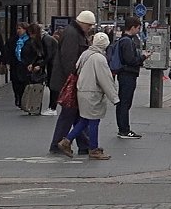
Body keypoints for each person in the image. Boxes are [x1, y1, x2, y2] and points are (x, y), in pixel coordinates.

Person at [56, 32, 117, 160]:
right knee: (94, 121)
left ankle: (66, 141)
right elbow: (105, 79)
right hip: (93, 93)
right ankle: (93, 149)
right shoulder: (99, 58)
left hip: (82, 91)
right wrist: (114, 97)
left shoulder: (85, 54)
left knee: (85, 120)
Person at [47, 11, 95, 155]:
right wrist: (75, 78)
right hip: (69, 81)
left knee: (76, 114)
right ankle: (58, 144)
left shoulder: (74, 32)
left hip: (69, 80)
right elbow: (69, 59)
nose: (90, 28)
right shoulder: (72, 34)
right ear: (83, 23)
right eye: (89, 25)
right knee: (69, 114)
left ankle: (84, 144)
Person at [114, 17, 148, 139]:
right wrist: (143, 57)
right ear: (132, 27)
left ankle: (122, 128)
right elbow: (130, 60)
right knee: (125, 103)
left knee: (123, 102)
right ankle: (124, 130)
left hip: (124, 74)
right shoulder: (127, 41)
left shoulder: (122, 40)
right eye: (138, 28)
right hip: (128, 74)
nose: (138, 31)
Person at [19, 23, 51, 116]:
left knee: (36, 87)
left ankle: (35, 106)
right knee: (33, 87)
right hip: (33, 66)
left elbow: (44, 55)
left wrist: (39, 65)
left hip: (38, 67)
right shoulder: (33, 41)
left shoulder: (41, 41)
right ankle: (32, 106)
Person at [8, 20, 29, 109]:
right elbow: (8, 50)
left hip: (25, 65)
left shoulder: (29, 40)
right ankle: (17, 97)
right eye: (17, 29)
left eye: (20, 29)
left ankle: (22, 99)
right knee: (15, 82)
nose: (18, 31)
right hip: (15, 64)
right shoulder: (13, 39)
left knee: (23, 83)